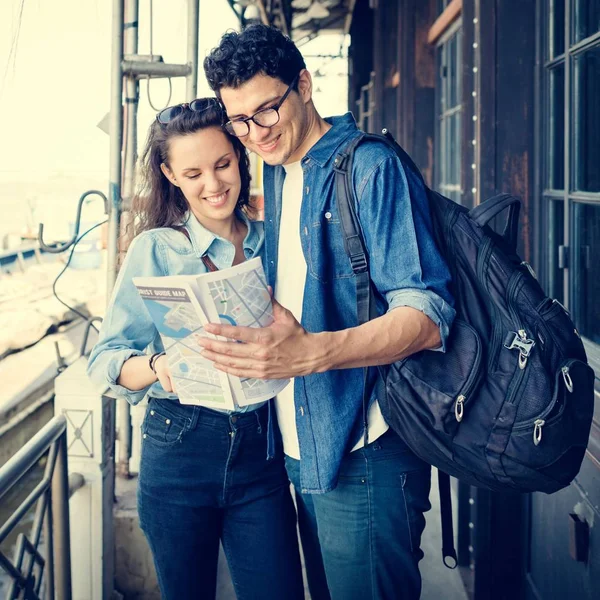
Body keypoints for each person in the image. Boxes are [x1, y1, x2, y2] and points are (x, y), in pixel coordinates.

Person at [202, 24, 456, 600]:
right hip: (299, 448)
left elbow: (428, 311)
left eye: (266, 110)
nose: (254, 133)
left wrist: (310, 352)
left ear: (305, 86)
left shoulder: (369, 168)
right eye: (239, 121)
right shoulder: (276, 171)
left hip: (368, 447)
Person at [86, 99, 304, 600]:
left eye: (224, 164)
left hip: (262, 450)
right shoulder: (157, 250)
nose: (214, 184)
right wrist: (160, 366)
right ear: (171, 175)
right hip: (179, 446)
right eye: (194, 172)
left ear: (240, 155)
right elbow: (105, 361)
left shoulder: (276, 244)